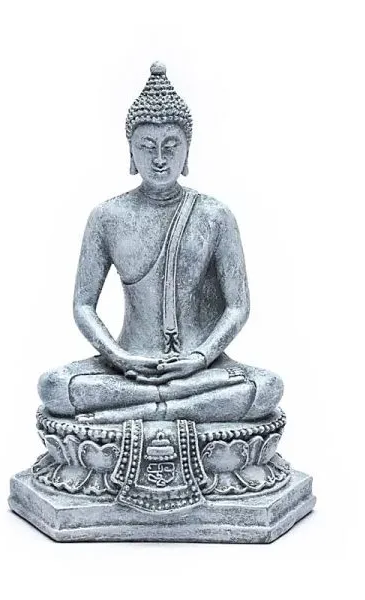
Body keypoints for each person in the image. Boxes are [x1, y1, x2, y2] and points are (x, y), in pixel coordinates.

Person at [39, 62, 283, 423]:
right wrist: (119, 357)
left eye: (171, 146)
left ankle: (149, 409)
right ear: (130, 153)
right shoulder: (107, 217)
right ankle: (171, 406)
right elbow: (83, 306)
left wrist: (199, 358)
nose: (159, 159)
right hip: (129, 368)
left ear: (187, 151)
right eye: (146, 147)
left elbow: (238, 307)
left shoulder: (215, 216)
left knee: (267, 388)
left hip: (200, 370)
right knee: (54, 386)